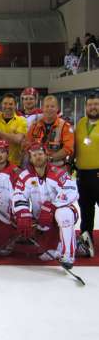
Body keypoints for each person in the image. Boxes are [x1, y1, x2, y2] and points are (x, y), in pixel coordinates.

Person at [12, 144, 93, 269]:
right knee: (45, 255)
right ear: (30, 158)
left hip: (61, 213)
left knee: (64, 214)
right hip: (41, 219)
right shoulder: (25, 176)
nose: (38, 157)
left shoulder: (58, 172)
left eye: (40, 154)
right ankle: (78, 243)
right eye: (34, 155)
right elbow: (18, 195)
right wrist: (24, 214)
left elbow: (71, 190)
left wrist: (53, 206)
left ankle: (68, 256)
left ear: (46, 155)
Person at [25, 95, 74, 171]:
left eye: (52, 106)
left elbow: (68, 149)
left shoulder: (65, 126)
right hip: (36, 169)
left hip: (57, 170)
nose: (49, 109)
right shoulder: (34, 126)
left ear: (57, 108)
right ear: (42, 108)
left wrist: (49, 158)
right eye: (47, 106)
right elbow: (27, 145)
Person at [75, 94, 99, 245]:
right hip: (83, 174)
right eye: (90, 105)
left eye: (96, 104)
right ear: (86, 107)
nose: (93, 107)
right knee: (86, 210)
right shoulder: (81, 122)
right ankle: (86, 240)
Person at [0, 93, 27, 166]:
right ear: (1, 105)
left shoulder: (21, 120)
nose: (7, 106)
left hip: (15, 164)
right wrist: (12, 137)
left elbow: (18, 139)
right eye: (5, 103)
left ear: (15, 106)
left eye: (11, 104)